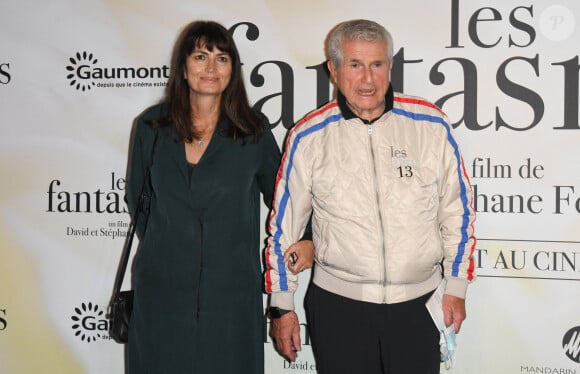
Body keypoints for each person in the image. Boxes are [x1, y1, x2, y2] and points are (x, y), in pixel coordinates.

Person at [264, 19, 476, 374]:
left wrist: (457, 285)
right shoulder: (308, 136)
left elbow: (458, 212)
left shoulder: (431, 125)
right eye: (355, 65)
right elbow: (283, 227)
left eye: (377, 65)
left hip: (420, 304)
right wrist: (282, 305)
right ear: (334, 69)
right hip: (338, 307)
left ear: (390, 66)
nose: (367, 79)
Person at [125, 20, 313, 374]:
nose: (210, 68)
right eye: (200, 56)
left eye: (222, 58)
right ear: (183, 67)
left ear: (233, 70)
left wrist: (308, 240)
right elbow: (140, 199)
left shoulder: (252, 131)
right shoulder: (151, 127)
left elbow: (287, 202)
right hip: (161, 291)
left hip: (230, 295)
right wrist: (172, 246)